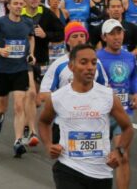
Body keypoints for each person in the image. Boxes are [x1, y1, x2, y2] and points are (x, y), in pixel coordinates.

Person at [39, 44, 133, 189]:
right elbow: (44, 122)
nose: (90, 67)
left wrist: (119, 151)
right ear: (71, 66)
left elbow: (127, 128)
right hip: (68, 168)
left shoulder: (108, 96)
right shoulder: (58, 97)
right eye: (84, 62)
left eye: (93, 63)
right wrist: (48, 145)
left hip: (101, 173)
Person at [0, 0, 37, 156]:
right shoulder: (0, 22)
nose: (18, 7)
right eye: (15, 4)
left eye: (21, 4)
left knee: (19, 105)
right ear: (8, 6)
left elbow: (30, 38)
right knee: (2, 106)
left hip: (20, 69)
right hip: (3, 70)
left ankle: (18, 141)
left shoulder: (28, 23)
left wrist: (31, 54)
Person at [94, 18, 137, 189]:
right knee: (98, 158)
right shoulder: (96, 58)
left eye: (119, 32)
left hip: (123, 113)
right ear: (104, 37)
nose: (116, 37)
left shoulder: (129, 57)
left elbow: (133, 76)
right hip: (101, 115)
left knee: (122, 155)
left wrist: (135, 93)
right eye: (112, 34)